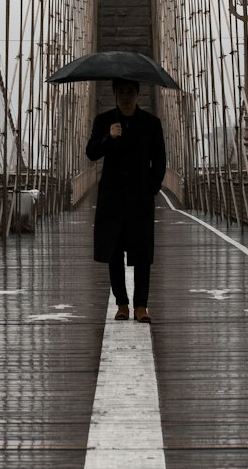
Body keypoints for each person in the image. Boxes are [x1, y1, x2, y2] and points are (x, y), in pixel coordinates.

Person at [85, 78, 166, 324]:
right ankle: (122, 304)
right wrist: (109, 137)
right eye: (121, 91)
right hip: (112, 199)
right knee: (114, 252)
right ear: (115, 93)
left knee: (143, 254)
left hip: (140, 199)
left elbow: (160, 161)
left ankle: (142, 306)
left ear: (138, 93)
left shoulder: (152, 124)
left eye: (130, 91)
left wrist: (151, 188)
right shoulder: (104, 121)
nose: (126, 96)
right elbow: (91, 153)